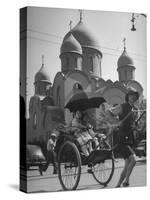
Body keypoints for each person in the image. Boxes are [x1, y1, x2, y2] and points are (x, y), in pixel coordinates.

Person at [108, 89, 139, 187]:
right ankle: (127, 181)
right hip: (122, 137)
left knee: (127, 165)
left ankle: (117, 185)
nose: (133, 97)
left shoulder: (136, 109)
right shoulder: (122, 106)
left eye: (134, 95)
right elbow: (109, 112)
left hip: (130, 138)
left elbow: (134, 124)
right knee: (133, 160)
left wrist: (135, 127)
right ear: (128, 96)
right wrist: (116, 122)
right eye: (131, 95)